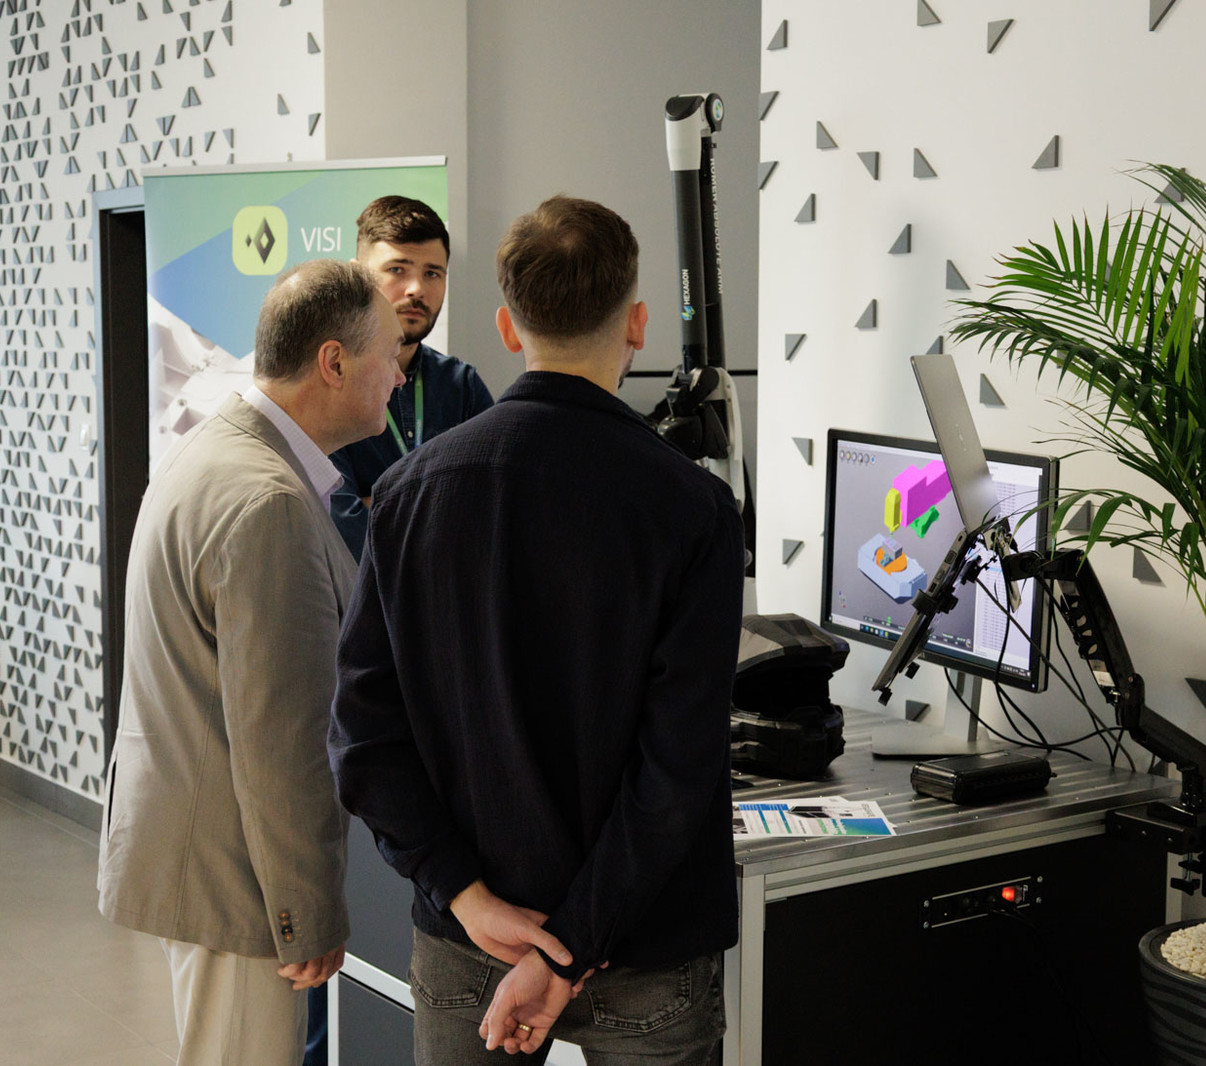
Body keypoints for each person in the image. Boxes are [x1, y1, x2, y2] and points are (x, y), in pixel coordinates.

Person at [330, 196, 745, 1065]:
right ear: (637, 324)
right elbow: (679, 767)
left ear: (508, 327)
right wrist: (571, 945)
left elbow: (364, 734)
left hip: (469, 940)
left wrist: (464, 894)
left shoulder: (407, 493)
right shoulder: (695, 507)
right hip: (644, 948)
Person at [98, 258, 405, 1066]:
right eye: (389, 354)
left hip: (201, 847)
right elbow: (281, 738)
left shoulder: (220, 452)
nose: (401, 374)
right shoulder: (268, 501)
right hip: (236, 876)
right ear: (333, 362)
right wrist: (306, 911)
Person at [328, 195, 494, 559]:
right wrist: (441, 510)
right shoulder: (329, 384)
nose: (417, 288)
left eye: (432, 273)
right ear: (357, 277)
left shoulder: (462, 387)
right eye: (397, 269)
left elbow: (490, 517)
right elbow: (341, 529)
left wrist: (377, 503)